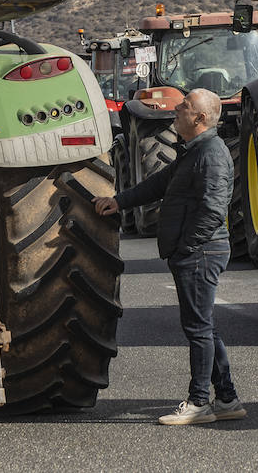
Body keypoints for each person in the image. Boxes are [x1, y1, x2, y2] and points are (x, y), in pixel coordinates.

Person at [94, 88, 244, 426]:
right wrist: (120, 201)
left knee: (198, 329)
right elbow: (160, 182)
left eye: (186, 107)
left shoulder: (212, 155)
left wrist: (185, 248)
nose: (177, 109)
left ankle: (199, 402)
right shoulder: (192, 152)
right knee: (202, 325)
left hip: (201, 252)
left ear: (200, 118)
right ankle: (228, 398)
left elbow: (213, 210)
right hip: (195, 251)